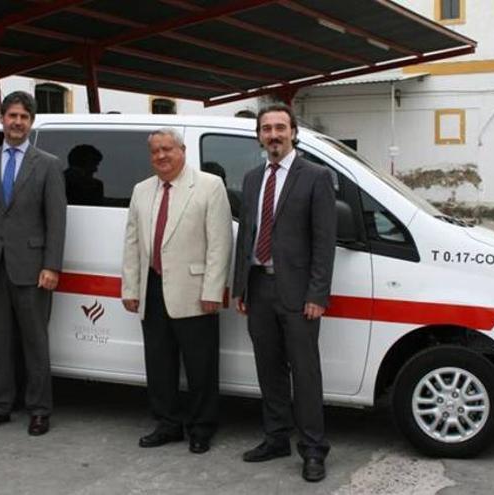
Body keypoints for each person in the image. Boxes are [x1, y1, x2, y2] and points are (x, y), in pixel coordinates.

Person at [232, 104, 337, 482]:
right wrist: (240, 286)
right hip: (259, 287)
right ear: (258, 135)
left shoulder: (316, 176)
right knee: (269, 369)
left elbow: (325, 242)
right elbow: (246, 234)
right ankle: (276, 438)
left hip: (298, 294)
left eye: (280, 128)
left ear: (293, 132)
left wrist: (317, 294)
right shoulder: (252, 177)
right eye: (266, 129)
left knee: (305, 374)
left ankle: (312, 450)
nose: (273, 135)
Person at [0, 91, 67, 436]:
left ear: (31, 122)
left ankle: (39, 410)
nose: (17, 122)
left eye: (24, 117)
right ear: (1, 119)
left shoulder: (48, 164)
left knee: (35, 342)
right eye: (12, 116)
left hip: (33, 270)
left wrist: (51, 266)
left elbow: (56, 220)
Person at [121, 128, 232, 454]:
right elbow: (131, 242)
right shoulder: (141, 190)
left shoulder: (209, 186)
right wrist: (131, 286)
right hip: (152, 288)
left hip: (195, 291)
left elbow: (220, 243)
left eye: (167, 149)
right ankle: (167, 424)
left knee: (201, 366)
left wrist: (213, 289)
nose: (161, 156)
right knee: (159, 365)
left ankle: (201, 427)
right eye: (155, 151)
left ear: (182, 150)